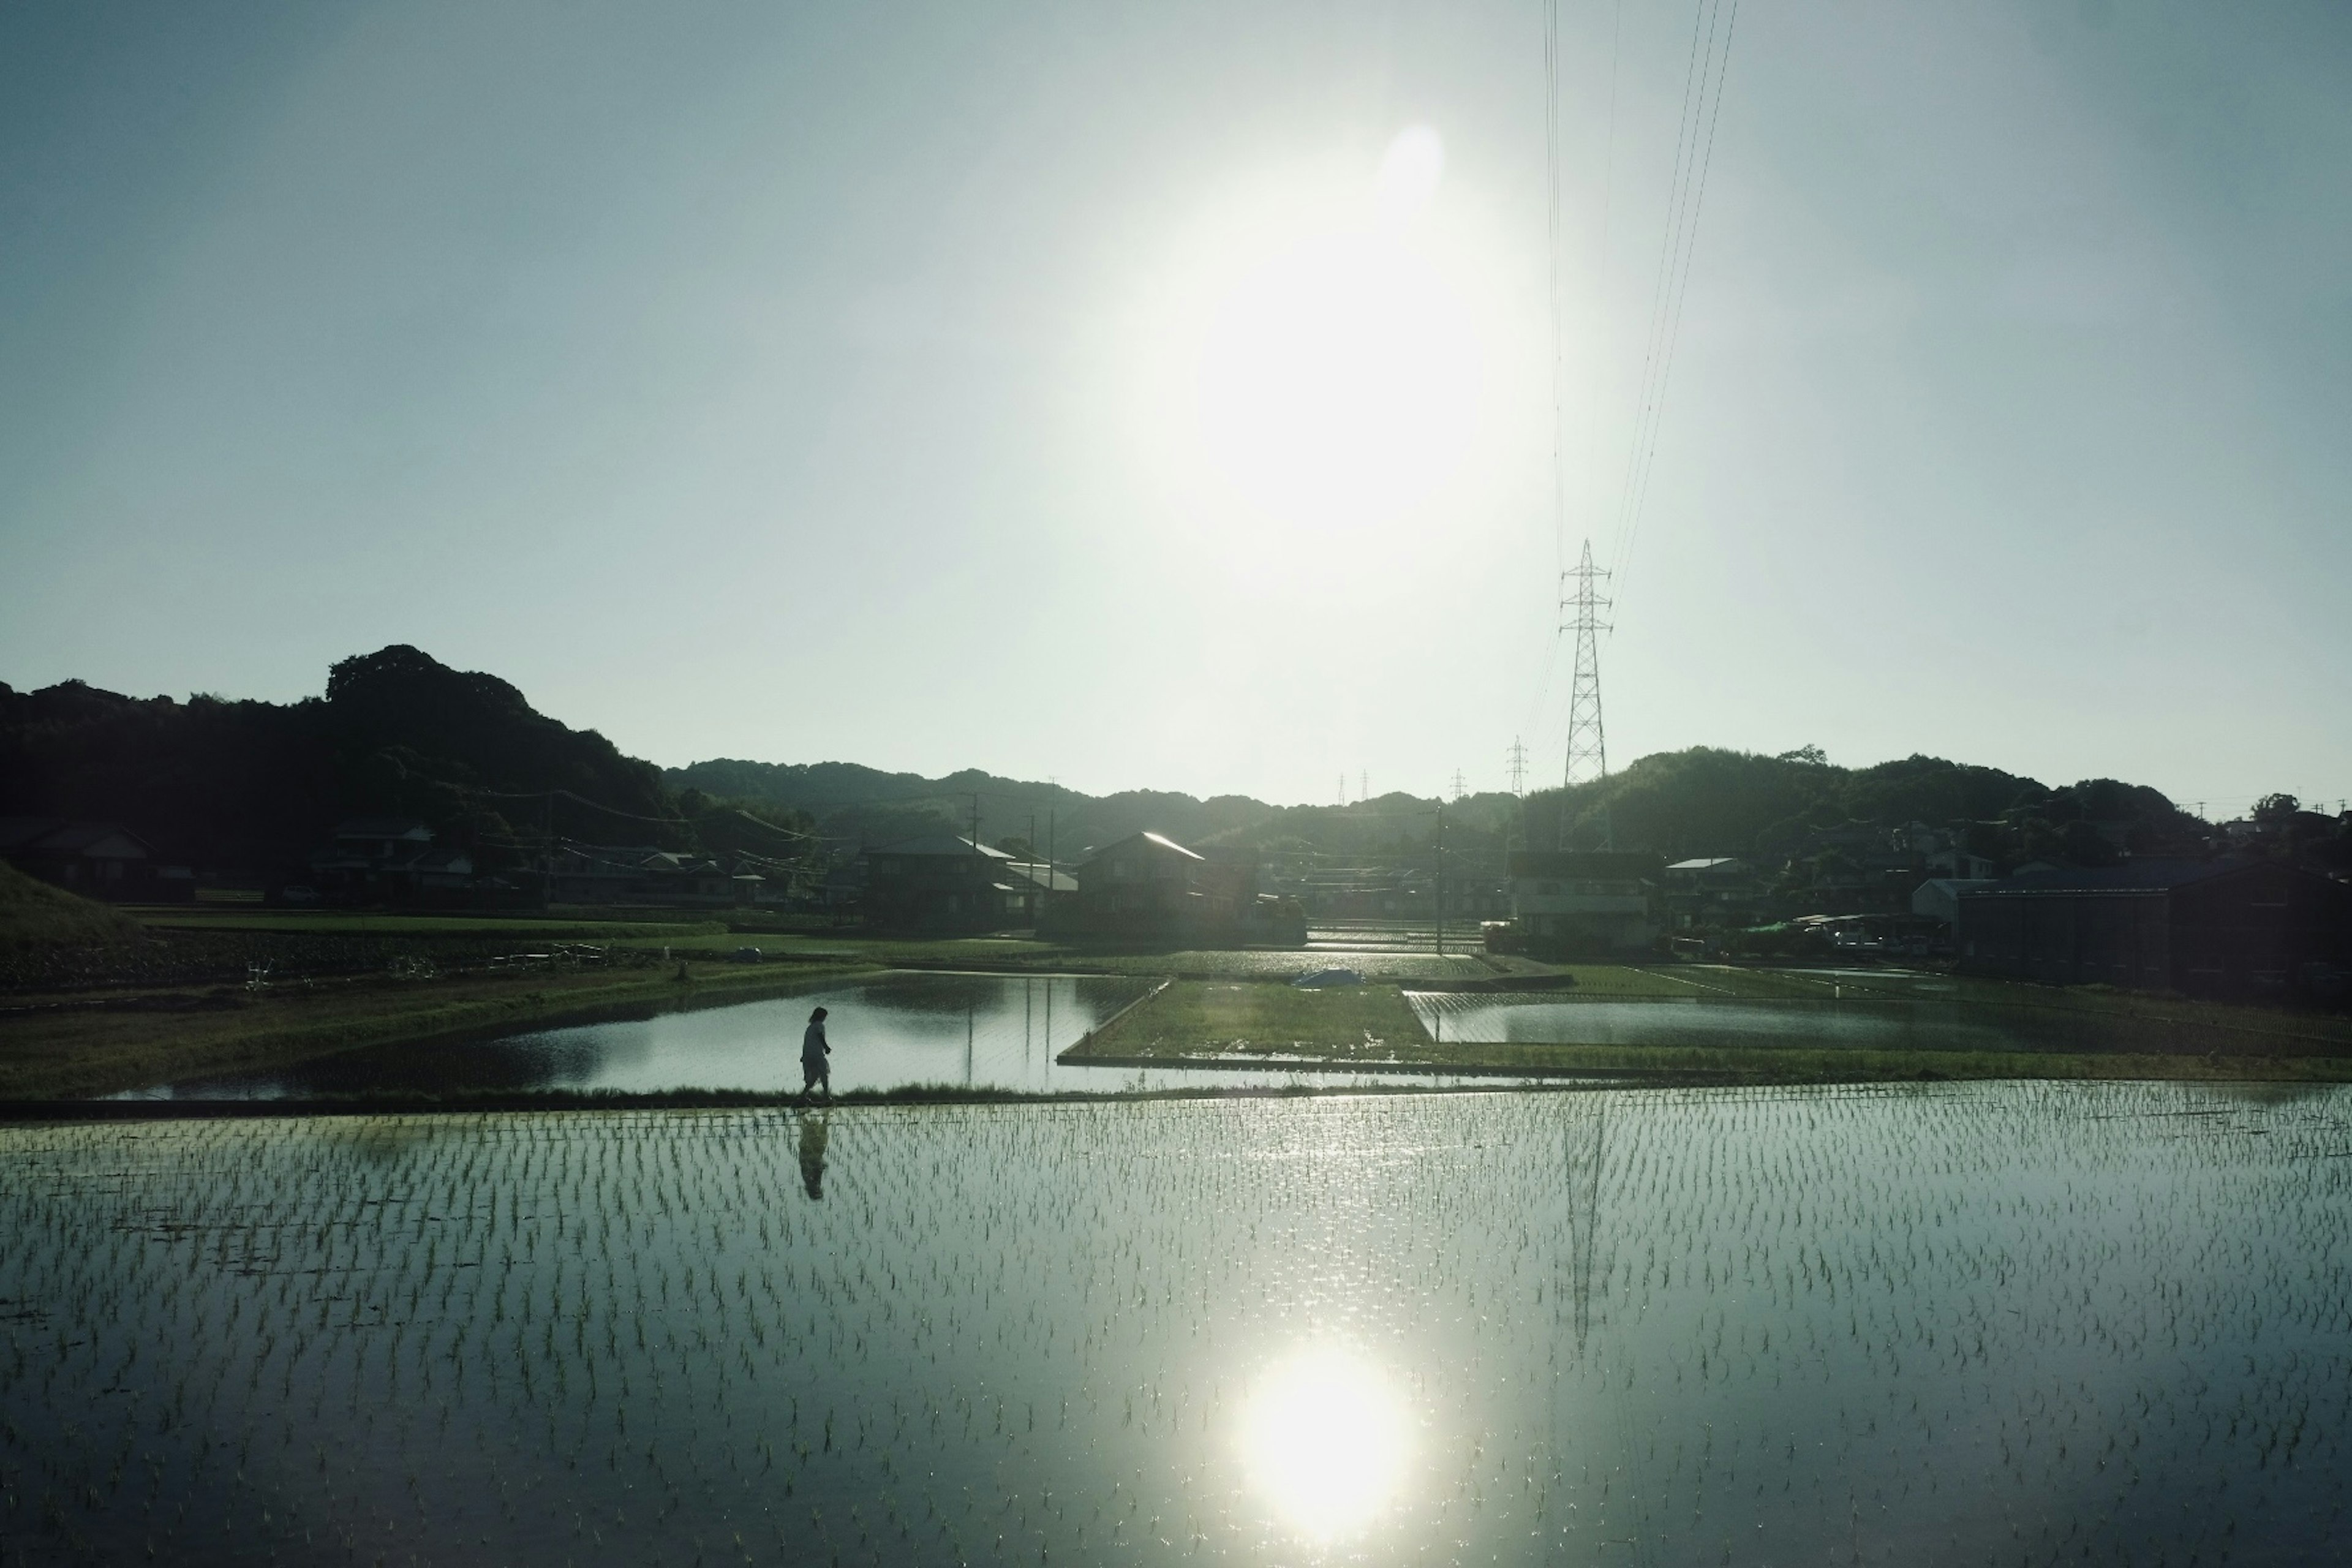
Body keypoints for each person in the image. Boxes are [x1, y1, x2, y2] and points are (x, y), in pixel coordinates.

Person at [799, 1005, 832, 1102]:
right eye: (824, 1017)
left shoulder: (810, 1027)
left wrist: (804, 1055)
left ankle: (803, 1096)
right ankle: (826, 1096)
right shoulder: (819, 1025)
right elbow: (820, 1036)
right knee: (824, 1074)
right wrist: (826, 1047)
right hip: (816, 1054)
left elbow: (807, 1043)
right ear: (821, 1016)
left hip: (808, 1055)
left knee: (813, 1077)